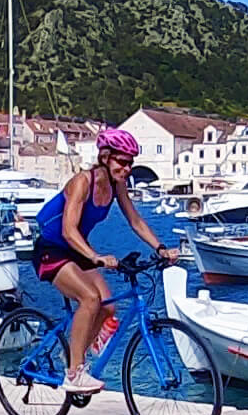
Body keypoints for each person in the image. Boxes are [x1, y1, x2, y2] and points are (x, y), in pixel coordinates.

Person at [32, 128, 179, 394]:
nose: (127, 169)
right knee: (90, 298)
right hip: (52, 249)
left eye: (130, 163)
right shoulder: (82, 182)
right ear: (105, 157)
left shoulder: (116, 185)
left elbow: (135, 220)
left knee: (109, 307)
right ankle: (74, 373)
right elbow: (68, 231)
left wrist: (160, 248)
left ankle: (75, 355)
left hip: (78, 250)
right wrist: (95, 257)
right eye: (122, 162)